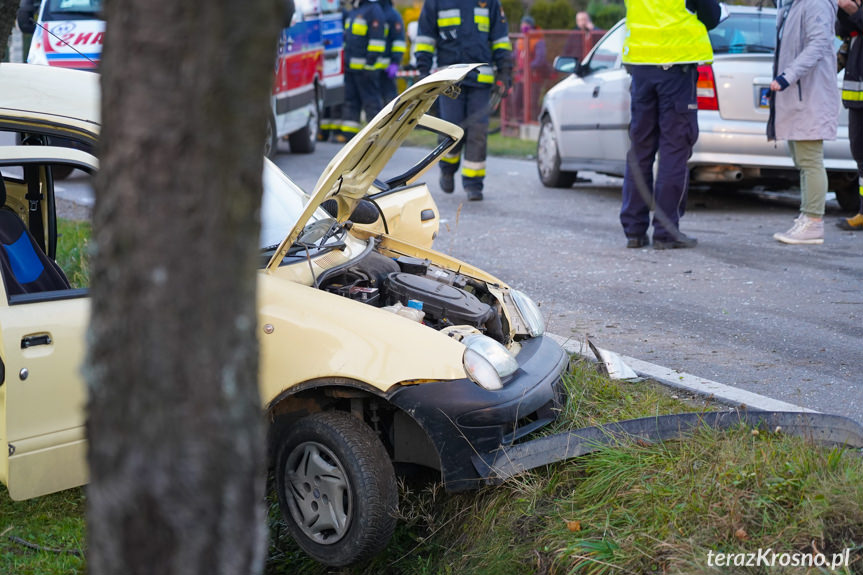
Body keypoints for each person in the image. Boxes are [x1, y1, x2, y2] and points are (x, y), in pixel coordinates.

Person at [619, 0, 721, 249]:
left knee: (641, 150)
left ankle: (634, 231)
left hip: (641, 69)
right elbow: (712, 16)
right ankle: (666, 232)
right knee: (674, 150)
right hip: (676, 69)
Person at [415, 0, 513, 201]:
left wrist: (505, 72)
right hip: (450, 81)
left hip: (481, 80)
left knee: (478, 130)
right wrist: (423, 71)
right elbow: (425, 38)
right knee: (451, 129)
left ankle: (473, 184)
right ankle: (448, 168)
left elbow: (500, 39)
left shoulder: (490, 3)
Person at [768, 0, 839, 245]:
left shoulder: (815, 3)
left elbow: (818, 43)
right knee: (801, 158)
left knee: (809, 160)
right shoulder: (793, 4)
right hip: (799, 94)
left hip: (811, 93)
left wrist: (788, 76)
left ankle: (813, 221)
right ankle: (807, 216)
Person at [338, 0, 386, 142]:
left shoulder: (373, 10)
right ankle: (349, 136)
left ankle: (376, 136)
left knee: (371, 102)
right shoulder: (355, 10)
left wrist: (369, 63)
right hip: (350, 68)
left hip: (366, 69)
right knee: (350, 101)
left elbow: (377, 40)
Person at [836, 0, 863, 230]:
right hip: (858, 97)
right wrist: (846, 12)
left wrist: (856, 12)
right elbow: (842, 31)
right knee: (860, 153)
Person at [378, 0, 406, 103]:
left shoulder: (393, 15)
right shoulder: (372, 12)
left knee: (390, 100)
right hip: (372, 68)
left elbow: (399, 42)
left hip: (387, 68)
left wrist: (395, 62)